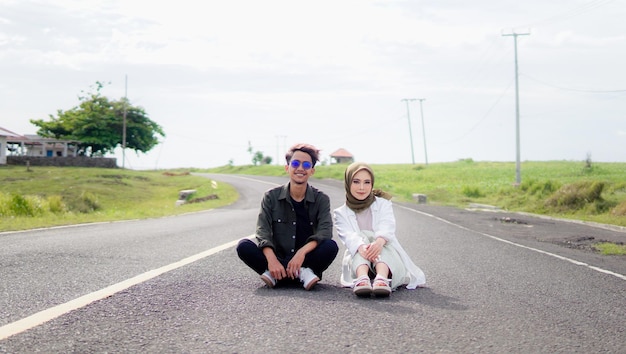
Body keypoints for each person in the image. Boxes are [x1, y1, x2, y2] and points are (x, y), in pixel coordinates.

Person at [236, 143, 339, 290]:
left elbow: (325, 232)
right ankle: (290, 273)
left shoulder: (321, 199)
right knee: (244, 246)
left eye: (306, 165)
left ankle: (288, 274)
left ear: (312, 171)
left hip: (306, 259)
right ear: (287, 168)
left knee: (330, 246)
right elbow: (262, 231)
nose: (300, 168)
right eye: (295, 163)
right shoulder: (271, 197)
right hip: (277, 258)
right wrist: (272, 261)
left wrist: (301, 253)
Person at [333, 162, 426, 297]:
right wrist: (362, 247)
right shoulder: (340, 213)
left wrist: (379, 242)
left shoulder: (383, 204)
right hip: (360, 258)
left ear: (372, 184)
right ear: (348, 183)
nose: (361, 187)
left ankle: (382, 278)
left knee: (381, 241)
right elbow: (348, 236)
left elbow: (387, 225)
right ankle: (362, 278)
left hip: (386, 258)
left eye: (367, 182)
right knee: (361, 238)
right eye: (356, 182)